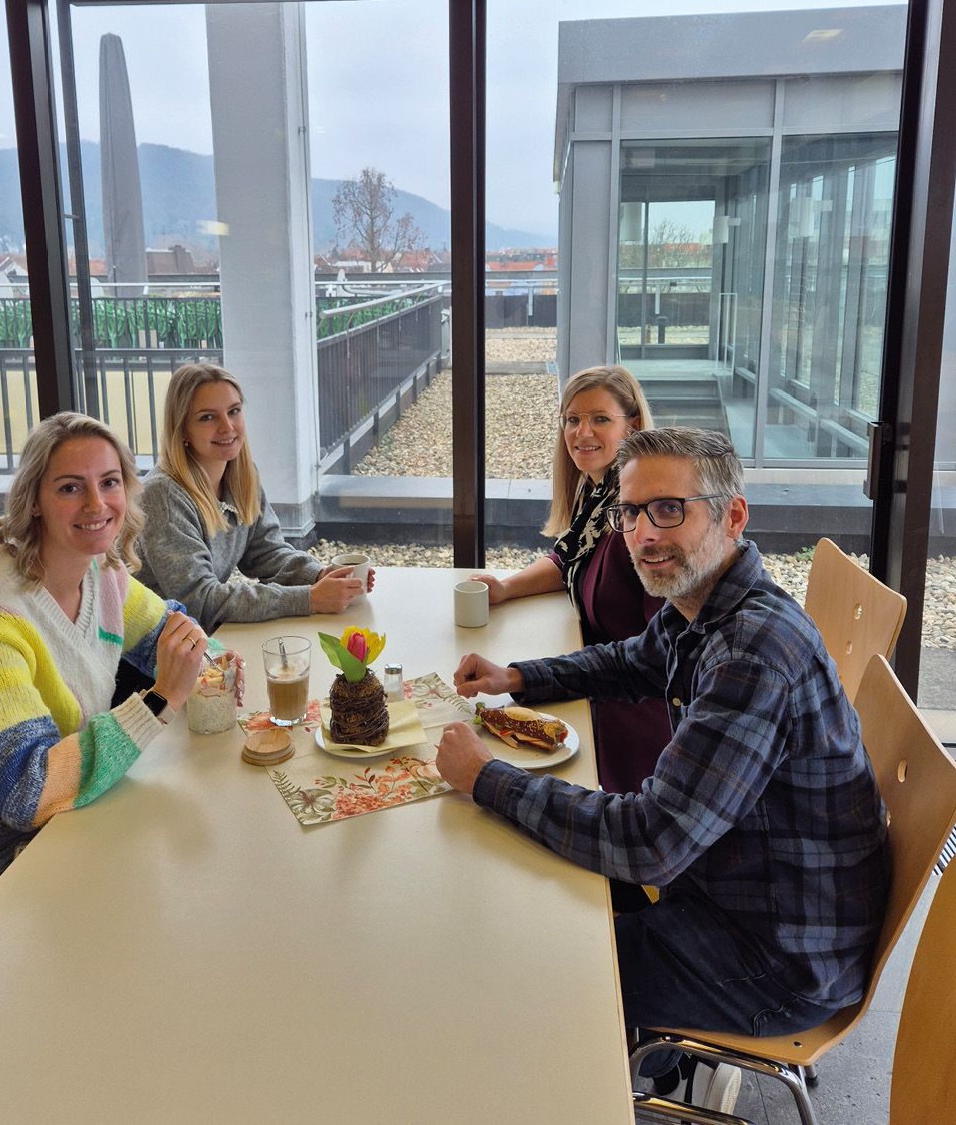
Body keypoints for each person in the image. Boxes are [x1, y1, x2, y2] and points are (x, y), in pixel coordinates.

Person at [436, 428, 889, 1113]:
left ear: (733, 515)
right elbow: (631, 661)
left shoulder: (752, 653)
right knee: (542, 890)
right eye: (630, 513)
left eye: (669, 509)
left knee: (532, 967)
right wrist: (519, 676)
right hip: (746, 894)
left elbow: (650, 842)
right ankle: (662, 1062)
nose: (644, 534)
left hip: (780, 959)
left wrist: (485, 778)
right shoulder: (708, 602)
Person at [0, 412, 240, 921]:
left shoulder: (102, 572)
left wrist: (221, 668)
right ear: (35, 503)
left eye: (109, 483)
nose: (96, 505)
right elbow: (26, 792)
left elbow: (172, 632)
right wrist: (159, 701)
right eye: (70, 488)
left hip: (70, 803)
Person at [470, 364, 669, 793]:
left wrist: (530, 676)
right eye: (572, 420)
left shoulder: (636, 511)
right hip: (596, 671)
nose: (582, 433)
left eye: (600, 419)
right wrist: (504, 588)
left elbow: (663, 654)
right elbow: (566, 559)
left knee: (492, 743)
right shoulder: (597, 489)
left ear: (632, 425)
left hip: (635, 703)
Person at [136, 360, 372, 631]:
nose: (228, 427)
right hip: (147, 657)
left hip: (190, 643)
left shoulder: (241, 476)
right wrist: (309, 598)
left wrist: (319, 575)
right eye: (207, 417)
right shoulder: (163, 495)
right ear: (183, 430)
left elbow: (266, 553)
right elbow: (199, 601)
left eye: (234, 411)